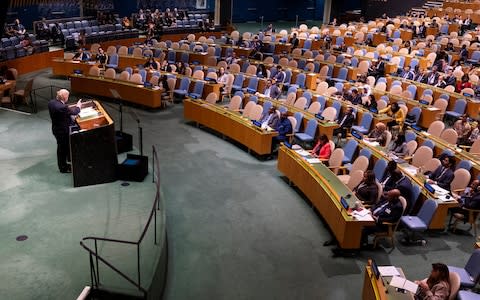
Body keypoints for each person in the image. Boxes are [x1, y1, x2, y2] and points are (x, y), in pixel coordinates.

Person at [48, 89, 81, 173]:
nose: (68, 98)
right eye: (67, 96)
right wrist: (78, 106)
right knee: (62, 149)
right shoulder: (62, 107)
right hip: (62, 131)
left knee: (62, 148)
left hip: (56, 129)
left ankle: (67, 161)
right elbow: (75, 112)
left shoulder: (51, 102)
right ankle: (63, 168)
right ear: (65, 97)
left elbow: (62, 114)